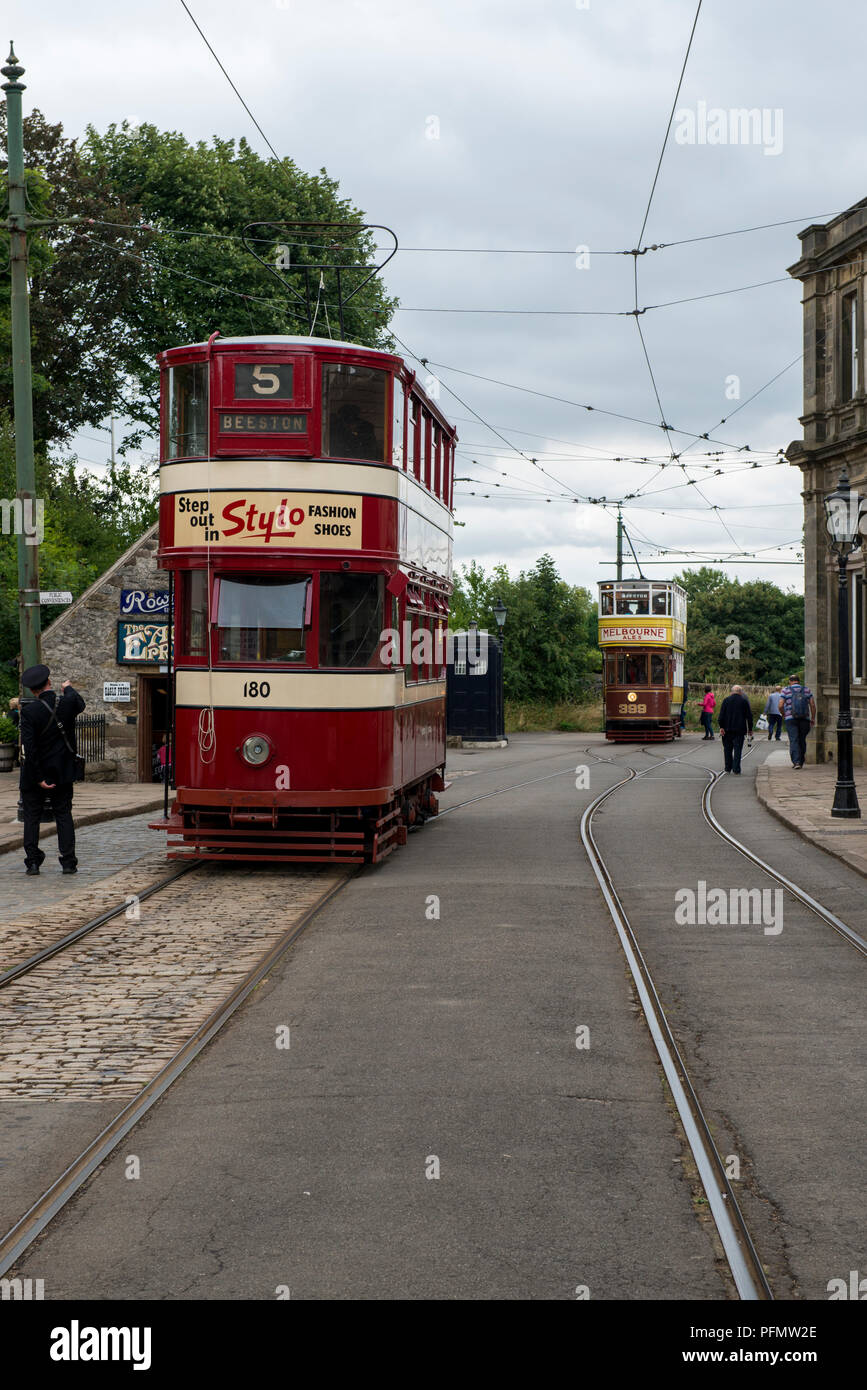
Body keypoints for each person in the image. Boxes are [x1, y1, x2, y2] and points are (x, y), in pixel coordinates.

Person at [19, 664, 86, 875]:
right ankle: (68, 861)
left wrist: (38, 777)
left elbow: (29, 749)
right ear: (49, 683)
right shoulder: (66, 705)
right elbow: (80, 704)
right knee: (63, 815)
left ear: (32, 690)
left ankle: (32, 862)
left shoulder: (29, 711)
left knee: (31, 817)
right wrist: (69, 688)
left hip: (34, 775)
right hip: (62, 772)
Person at [779, 673, 816, 769]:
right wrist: (812, 718)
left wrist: (784, 714)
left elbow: (780, 705)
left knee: (794, 739)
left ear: (790, 681)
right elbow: (812, 705)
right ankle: (801, 760)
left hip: (790, 719)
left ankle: (796, 762)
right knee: (802, 739)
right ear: (799, 681)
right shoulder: (806, 690)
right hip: (804, 718)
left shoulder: (786, 690)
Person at [717, 684, 753, 774]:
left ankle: (728, 768)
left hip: (727, 729)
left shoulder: (726, 700)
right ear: (740, 692)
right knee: (738, 750)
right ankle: (736, 769)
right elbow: (749, 716)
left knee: (727, 749)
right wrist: (750, 729)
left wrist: (721, 726)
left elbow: (721, 716)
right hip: (740, 730)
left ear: (732, 692)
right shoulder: (744, 701)